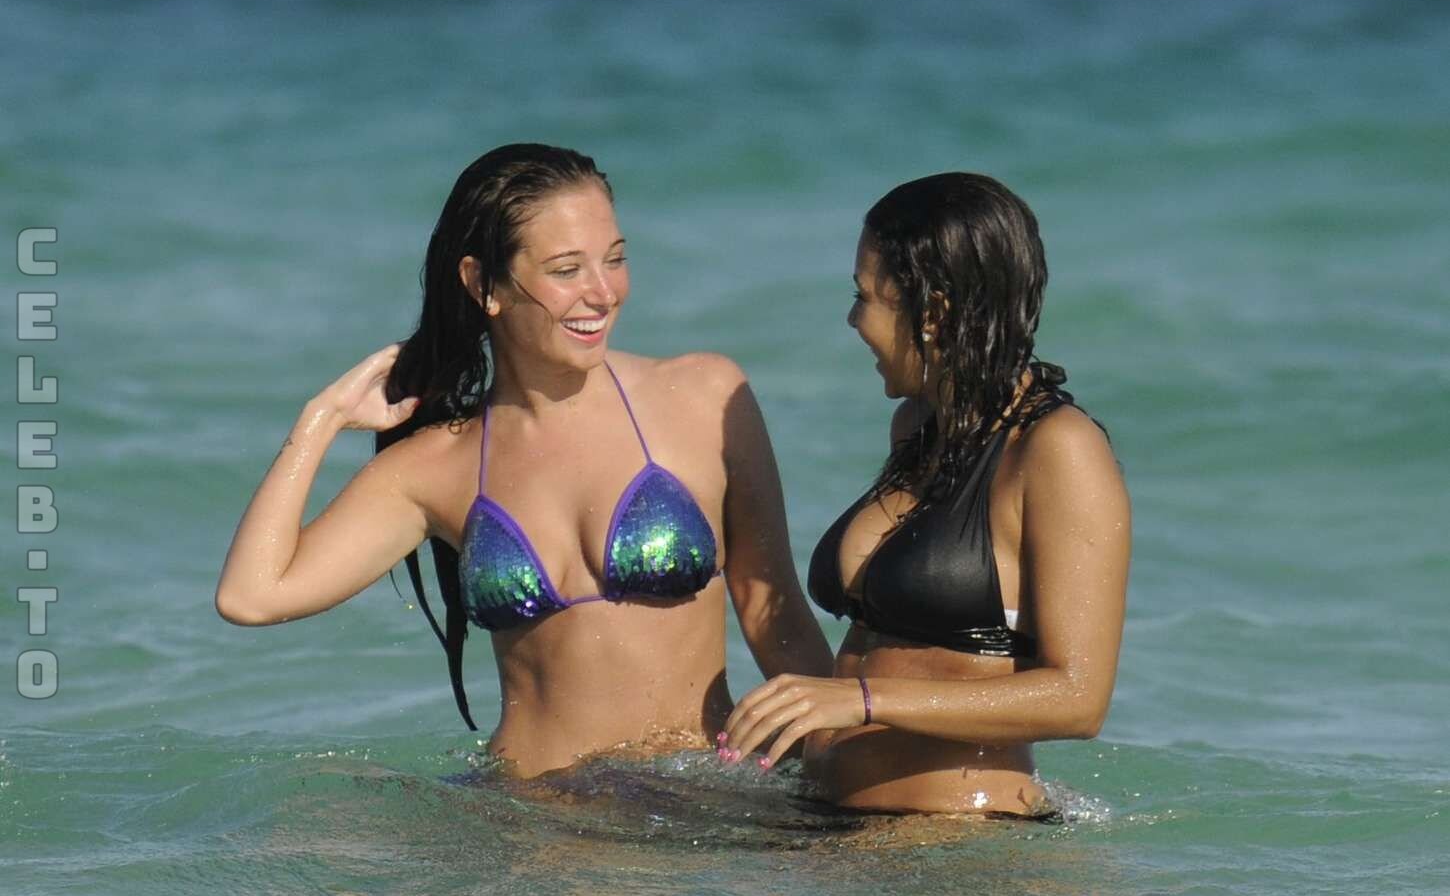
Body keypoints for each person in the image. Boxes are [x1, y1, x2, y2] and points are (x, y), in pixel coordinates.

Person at [217, 143, 831, 777]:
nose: (603, 293)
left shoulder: (703, 396)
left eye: (615, 259)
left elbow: (773, 610)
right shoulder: (436, 466)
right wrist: (321, 420)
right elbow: (252, 596)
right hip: (528, 812)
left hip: (698, 793)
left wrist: (842, 769)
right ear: (483, 285)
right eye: (567, 270)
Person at [719, 172, 1131, 817]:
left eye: (864, 297)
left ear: (933, 312)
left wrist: (861, 700)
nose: (853, 320)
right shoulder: (917, 426)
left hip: (958, 844)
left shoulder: (1056, 448)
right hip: (831, 819)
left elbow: (1079, 699)